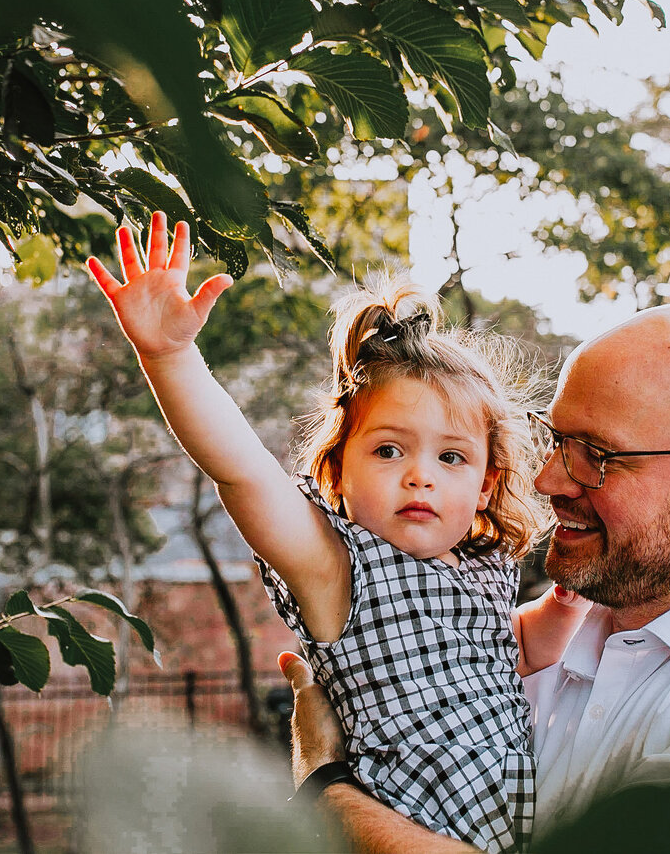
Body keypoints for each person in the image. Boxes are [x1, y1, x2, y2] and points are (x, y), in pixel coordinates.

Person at [282, 299, 670, 851]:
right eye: (556, 441)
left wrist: (326, 787)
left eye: (597, 456)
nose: (548, 481)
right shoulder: (512, 659)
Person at [87, 213, 589, 853]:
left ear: (487, 485)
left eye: (451, 458)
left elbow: (513, 649)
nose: (420, 478)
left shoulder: (483, 571)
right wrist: (170, 356)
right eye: (388, 451)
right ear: (336, 471)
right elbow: (241, 471)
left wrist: (562, 607)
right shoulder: (338, 568)